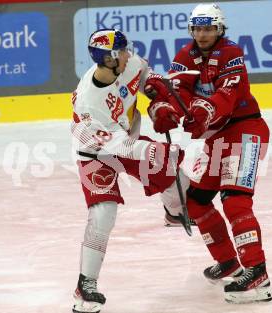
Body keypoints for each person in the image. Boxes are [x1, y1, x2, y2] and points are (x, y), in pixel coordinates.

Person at [147, 3, 272, 304]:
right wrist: (163, 111)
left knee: (234, 199)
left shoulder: (231, 54)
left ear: (220, 29)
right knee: (196, 202)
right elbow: (177, 93)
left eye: (209, 28)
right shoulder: (184, 56)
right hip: (217, 137)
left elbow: (228, 95)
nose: (202, 34)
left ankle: (257, 272)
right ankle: (229, 261)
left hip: (246, 130)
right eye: (198, 28)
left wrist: (203, 111)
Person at [70, 28, 190, 313]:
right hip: (96, 153)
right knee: (103, 213)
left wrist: (158, 99)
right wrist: (151, 151)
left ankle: (174, 212)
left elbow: (147, 76)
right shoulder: (89, 102)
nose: (129, 54)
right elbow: (119, 147)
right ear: (110, 58)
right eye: (122, 51)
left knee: (172, 171)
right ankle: (85, 285)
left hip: (126, 138)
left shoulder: (128, 64)